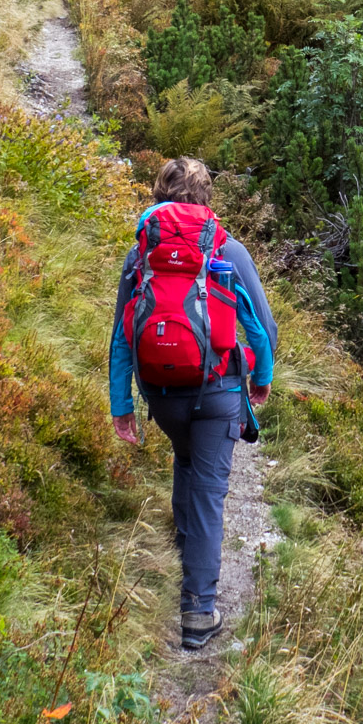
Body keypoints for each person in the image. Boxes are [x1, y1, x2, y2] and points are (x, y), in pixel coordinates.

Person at [109, 157, 277, 650]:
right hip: (220, 391)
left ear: (158, 195)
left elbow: (121, 334)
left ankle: (186, 549)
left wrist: (122, 404)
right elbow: (262, 328)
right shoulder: (227, 247)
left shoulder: (142, 253)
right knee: (208, 493)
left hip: (161, 394)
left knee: (186, 458)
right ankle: (199, 613)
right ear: (206, 199)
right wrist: (261, 380)